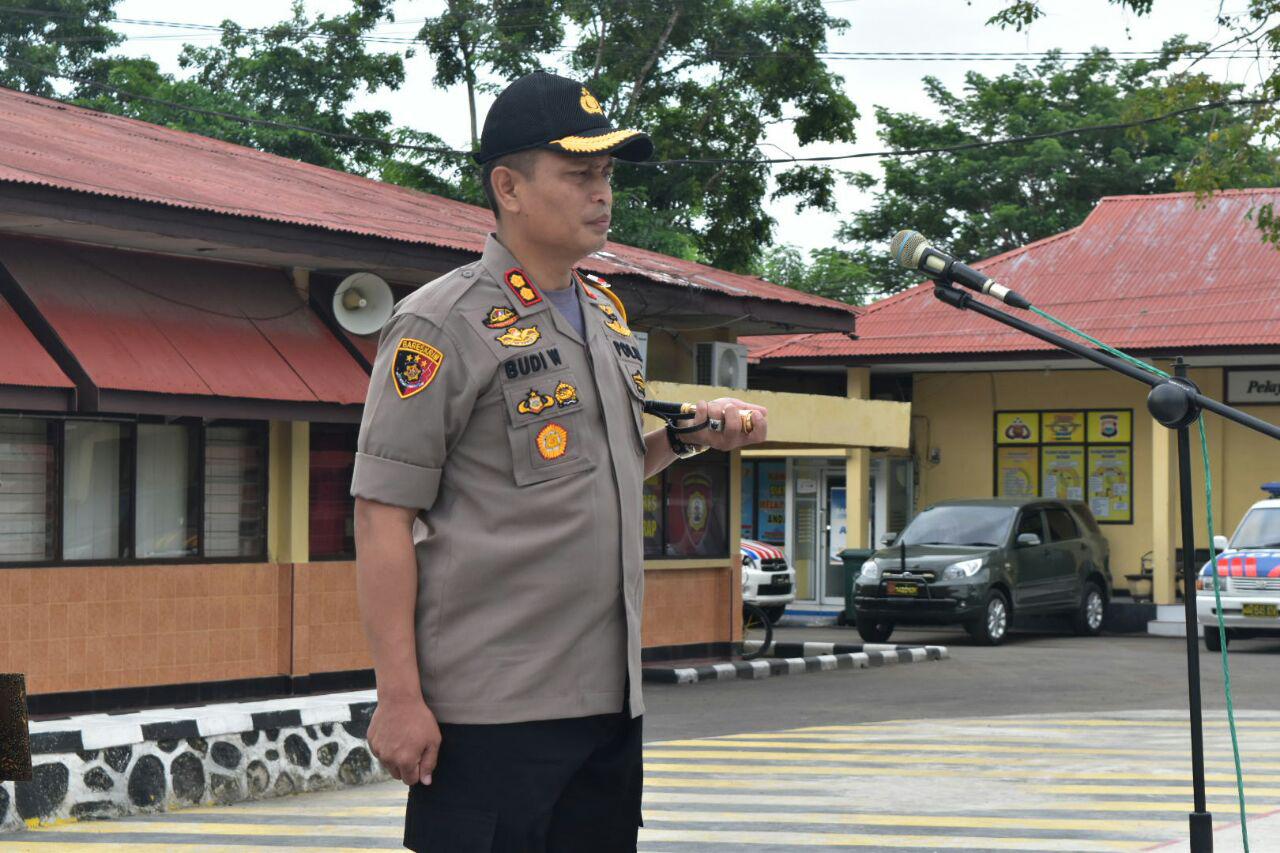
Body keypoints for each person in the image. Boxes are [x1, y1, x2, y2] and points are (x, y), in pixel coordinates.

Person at [350, 70, 768, 853]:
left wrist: (684, 438)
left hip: (608, 706)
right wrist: (398, 697)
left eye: (606, 173)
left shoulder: (606, 314)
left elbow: (595, 470)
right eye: (579, 173)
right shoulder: (438, 324)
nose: (602, 193)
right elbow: (381, 513)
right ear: (508, 186)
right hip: (491, 710)